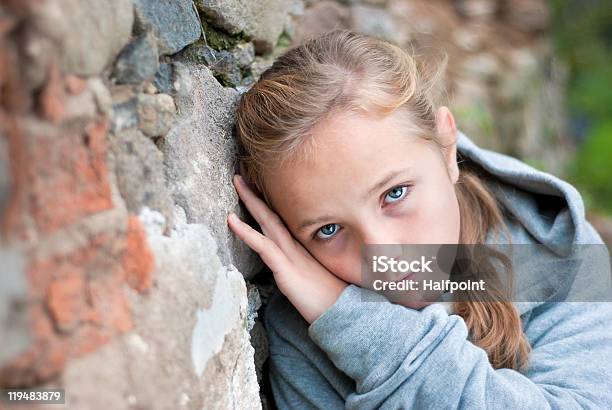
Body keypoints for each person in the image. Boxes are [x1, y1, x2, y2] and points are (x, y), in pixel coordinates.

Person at [226, 29, 612, 409]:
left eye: (394, 194)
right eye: (328, 230)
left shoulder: (564, 254)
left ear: (446, 147)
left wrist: (360, 328)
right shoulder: (301, 329)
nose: (383, 253)